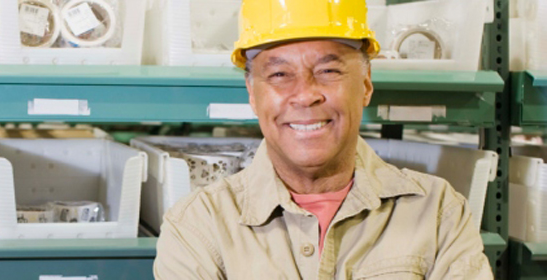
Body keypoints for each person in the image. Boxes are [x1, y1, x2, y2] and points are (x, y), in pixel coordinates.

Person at [152, 1, 493, 279]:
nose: (305, 95)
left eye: (329, 71)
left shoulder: (438, 213)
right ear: (253, 95)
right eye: (279, 74)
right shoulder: (198, 227)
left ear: (365, 84)